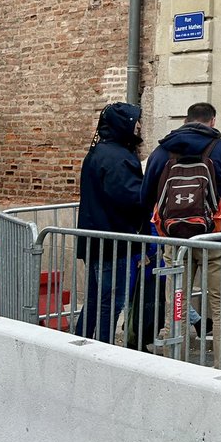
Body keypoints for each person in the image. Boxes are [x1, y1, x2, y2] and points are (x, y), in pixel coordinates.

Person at [142, 102, 221, 371]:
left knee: (176, 303)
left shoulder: (162, 151)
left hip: (175, 241)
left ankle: (175, 366)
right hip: (217, 235)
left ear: (186, 120)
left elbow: (145, 196)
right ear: (212, 121)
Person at [75, 102, 145, 343]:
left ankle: (80, 342)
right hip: (114, 241)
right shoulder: (118, 157)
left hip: (97, 239)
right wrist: (150, 194)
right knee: (110, 302)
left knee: (95, 300)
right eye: (136, 121)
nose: (139, 126)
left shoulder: (97, 151)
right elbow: (130, 197)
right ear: (123, 124)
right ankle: (104, 349)